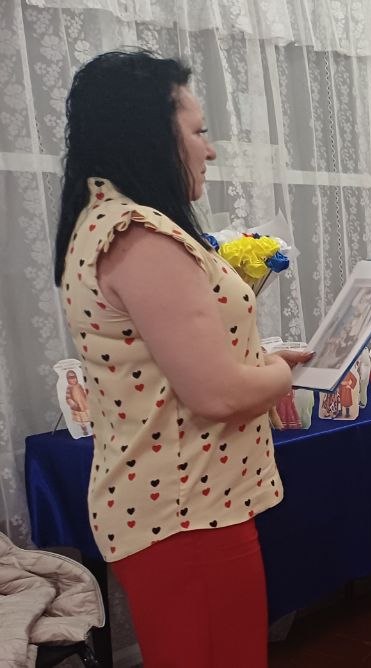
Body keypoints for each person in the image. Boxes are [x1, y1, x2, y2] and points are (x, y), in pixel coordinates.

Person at [53, 50, 311, 667]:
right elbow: (218, 394)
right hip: (187, 512)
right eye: (198, 132)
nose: (210, 150)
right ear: (150, 138)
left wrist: (259, 360)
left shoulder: (106, 222)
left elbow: (179, 364)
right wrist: (284, 372)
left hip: (181, 505)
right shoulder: (140, 236)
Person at [64, 369, 92, 435]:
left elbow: (84, 393)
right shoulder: (69, 387)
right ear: (68, 379)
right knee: (81, 421)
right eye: (71, 378)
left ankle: (93, 428)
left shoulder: (79, 385)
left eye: (74, 377)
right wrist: (73, 403)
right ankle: (85, 431)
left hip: (84, 405)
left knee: (88, 417)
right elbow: (68, 398)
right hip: (77, 407)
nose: (73, 379)